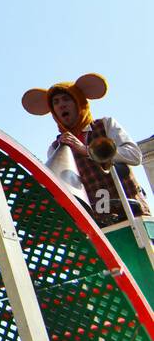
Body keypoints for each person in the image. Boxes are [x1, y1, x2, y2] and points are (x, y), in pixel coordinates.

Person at [22, 73, 154, 297]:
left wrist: (87, 151)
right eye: (56, 102)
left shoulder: (105, 125)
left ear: (79, 102)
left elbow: (134, 155)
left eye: (66, 100)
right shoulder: (56, 147)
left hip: (130, 212)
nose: (61, 105)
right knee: (112, 287)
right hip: (96, 226)